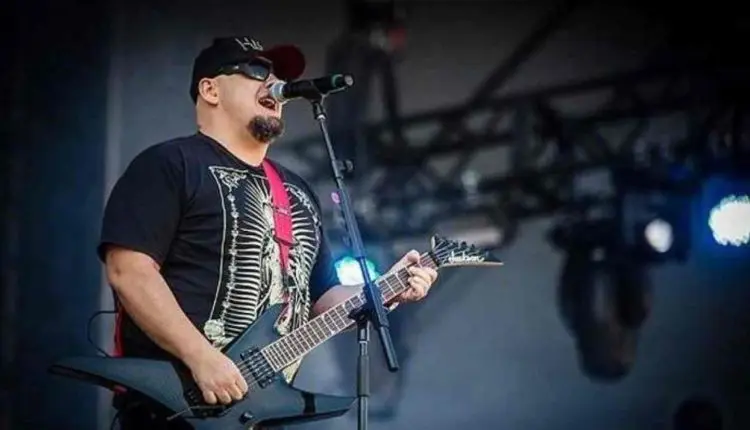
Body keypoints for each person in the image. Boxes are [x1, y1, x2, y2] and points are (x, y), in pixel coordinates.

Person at [98, 36, 438, 429]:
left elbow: (322, 298)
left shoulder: (297, 191)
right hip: (173, 408)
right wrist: (200, 357)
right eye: (257, 71)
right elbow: (130, 272)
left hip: (255, 414)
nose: (275, 84)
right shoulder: (170, 165)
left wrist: (386, 290)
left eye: (279, 76)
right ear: (210, 90)